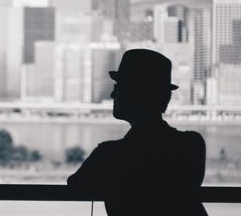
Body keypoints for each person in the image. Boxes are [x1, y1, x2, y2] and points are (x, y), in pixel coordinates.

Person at [67, 49, 208, 216]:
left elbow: (76, 185)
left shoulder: (109, 155)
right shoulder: (192, 144)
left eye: (118, 87)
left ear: (135, 94)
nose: (113, 94)